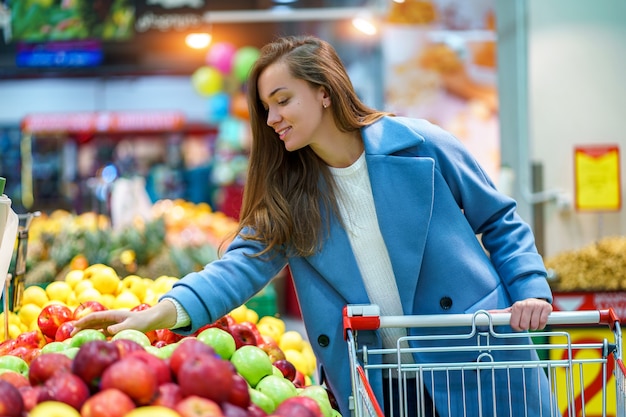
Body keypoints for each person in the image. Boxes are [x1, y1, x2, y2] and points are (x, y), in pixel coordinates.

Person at [73, 35, 553, 417]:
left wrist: (530, 288)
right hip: (380, 380)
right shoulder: (291, 194)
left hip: (474, 358)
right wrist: (163, 311)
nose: (272, 118)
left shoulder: (421, 144)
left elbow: (499, 219)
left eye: (282, 100)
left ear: (324, 91)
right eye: (267, 107)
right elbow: (240, 266)